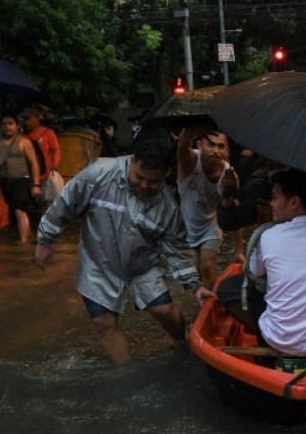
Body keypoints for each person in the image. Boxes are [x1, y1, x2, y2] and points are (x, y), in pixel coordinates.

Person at [34, 135, 215, 363]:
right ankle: (125, 373)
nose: (145, 186)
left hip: (143, 266)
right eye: (139, 177)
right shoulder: (99, 174)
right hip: (98, 264)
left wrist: (195, 286)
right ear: (131, 160)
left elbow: (176, 251)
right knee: (103, 323)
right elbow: (65, 204)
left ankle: (181, 342)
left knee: (165, 312)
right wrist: (45, 240)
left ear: (165, 176)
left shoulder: (167, 206)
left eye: (153, 182)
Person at [232, 168, 306, 357]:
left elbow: (254, 272)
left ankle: (259, 334)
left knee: (240, 288)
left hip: (277, 340)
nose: (271, 204)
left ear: (294, 202)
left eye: (275, 197)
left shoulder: (268, 235)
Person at [176, 126, 238, 289]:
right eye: (211, 145)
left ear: (227, 150)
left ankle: (211, 303)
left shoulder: (229, 175)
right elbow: (182, 147)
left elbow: (231, 214)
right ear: (199, 145)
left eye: (221, 146)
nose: (216, 151)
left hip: (211, 224)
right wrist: (191, 125)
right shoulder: (189, 161)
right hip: (186, 226)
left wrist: (239, 251)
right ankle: (203, 301)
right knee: (192, 274)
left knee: (206, 264)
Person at [0, 112, 43, 243]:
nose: (7, 127)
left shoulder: (24, 142)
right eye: (4, 124)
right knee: (19, 210)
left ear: (17, 125)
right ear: (0, 126)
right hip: (6, 181)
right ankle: (30, 236)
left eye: (10, 124)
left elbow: (34, 164)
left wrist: (36, 185)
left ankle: (23, 242)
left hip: (21, 180)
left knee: (19, 210)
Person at [21, 106, 60, 196]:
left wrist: (56, 162)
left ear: (37, 118)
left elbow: (56, 149)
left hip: (45, 176)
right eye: (24, 119)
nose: (26, 121)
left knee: (45, 204)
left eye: (28, 119)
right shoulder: (22, 135)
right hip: (28, 177)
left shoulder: (48, 133)